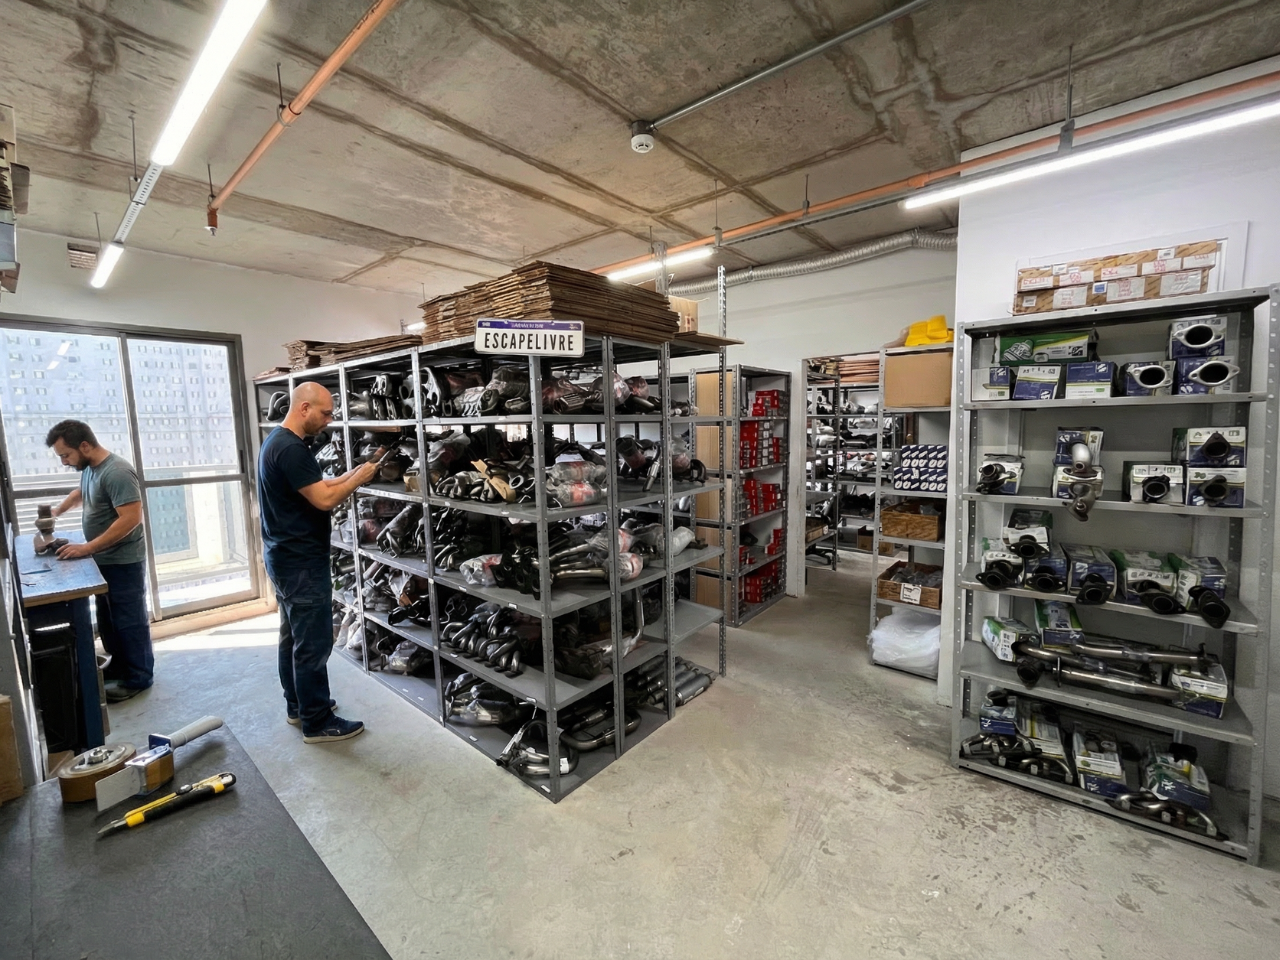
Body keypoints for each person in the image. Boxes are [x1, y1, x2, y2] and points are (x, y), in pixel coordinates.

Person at [258, 382, 378, 743]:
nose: (329, 420)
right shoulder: (292, 449)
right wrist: (359, 478)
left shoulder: (277, 441)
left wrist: (350, 474)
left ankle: (298, 705)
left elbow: (317, 486)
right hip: (300, 562)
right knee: (312, 643)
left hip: (283, 556)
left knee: (292, 636)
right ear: (304, 408)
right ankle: (317, 720)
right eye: (325, 413)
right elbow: (324, 500)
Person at [45, 420, 153, 703]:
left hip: (123, 562)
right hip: (104, 559)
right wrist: (55, 513)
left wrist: (87, 548)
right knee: (109, 620)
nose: (64, 462)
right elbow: (81, 494)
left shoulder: (117, 472)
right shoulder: (91, 469)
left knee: (129, 621)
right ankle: (119, 666)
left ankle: (139, 677)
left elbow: (131, 518)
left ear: (84, 446)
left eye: (66, 455)